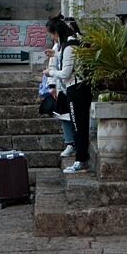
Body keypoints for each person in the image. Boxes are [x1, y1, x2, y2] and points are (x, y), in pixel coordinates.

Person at [43, 17, 92, 172]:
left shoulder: (69, 46)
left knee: (78, 126)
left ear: (56, 32)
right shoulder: (68, 44)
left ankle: (80, 160)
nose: (52, 38)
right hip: (76, 88)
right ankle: (80, 158)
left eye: (51, 35)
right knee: (78, 124)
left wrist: (49, 72)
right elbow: (69, 60)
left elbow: (65, 73)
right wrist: (56, 55)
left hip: (76, 88)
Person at [43, 17, 75, 158]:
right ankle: (69, 143)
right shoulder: (59, 46)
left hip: (72, 85)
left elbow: (65, 70)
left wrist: (51, 73)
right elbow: (55, 62)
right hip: (62, 86)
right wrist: (51, 84)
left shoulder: (71, 43)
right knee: (63, 115)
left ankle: (76, 146)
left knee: (74, 116)